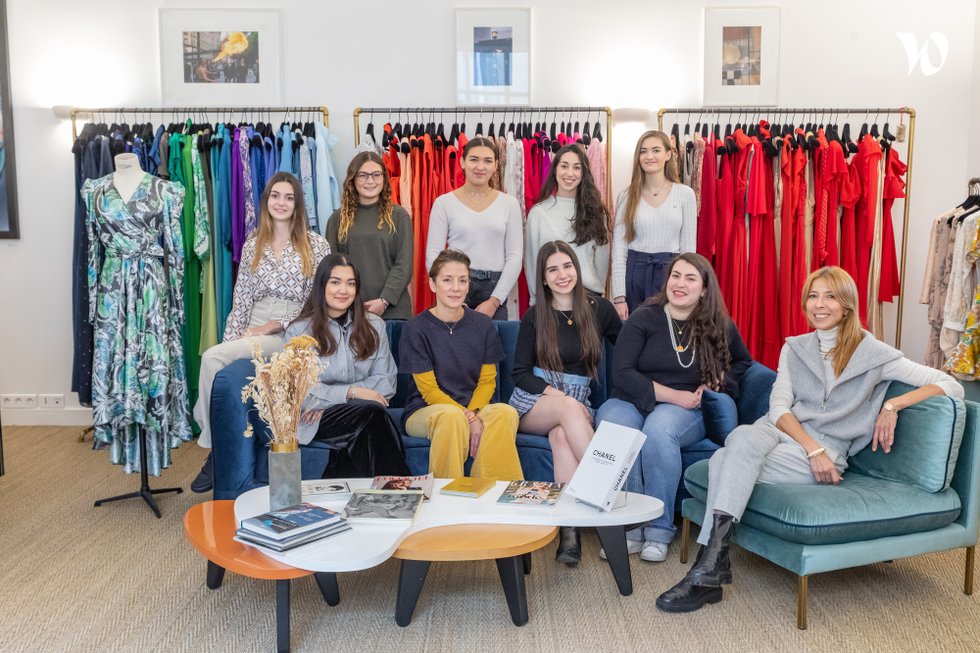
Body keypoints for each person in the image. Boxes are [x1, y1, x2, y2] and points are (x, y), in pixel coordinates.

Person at [656, 266, 965, 613]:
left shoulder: (874, 354)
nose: (819, 304)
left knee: (721, 460)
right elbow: (778, 408)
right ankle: (709, 568)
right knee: (742, 436)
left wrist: (893, 404)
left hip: (826, 452)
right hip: (782, 433)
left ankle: (708, 568)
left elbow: (950, 384)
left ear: (846, 305)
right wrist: (812, 447)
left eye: (830, 296)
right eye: (813, 296)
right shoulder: (796, 348)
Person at [596, 253, 752, 562]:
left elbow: (743, 362)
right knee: (615, 426)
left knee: (658, 429)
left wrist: (716, 382)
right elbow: (622, 372)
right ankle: (630, 528)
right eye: (675, 276)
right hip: (634, 398)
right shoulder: (644, 317)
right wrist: (672, 395)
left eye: (690, 278)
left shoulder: (717, 323)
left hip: (686, 410)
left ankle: (658, 530)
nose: (680, 284)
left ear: (704, 289)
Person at [192, 172, 329, 492]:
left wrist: (277, 323)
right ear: (266, 201)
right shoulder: (255, 244)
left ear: (298, 204)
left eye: (289, 197)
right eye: (275, 196)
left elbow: (318, 302)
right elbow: (241, 301)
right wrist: (231, 343)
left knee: (212, 358)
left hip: (292, 330)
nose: (281, 203)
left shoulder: (316, 245)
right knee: (216, 360)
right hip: (255, 326)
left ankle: (214, 449)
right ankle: (216, 446)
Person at [509, 241, 621, 565]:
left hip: (576, 401)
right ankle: (608, 492)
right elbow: (519, 373)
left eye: (567, 266)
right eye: (553, 269)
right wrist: (561, 398)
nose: (562, 275)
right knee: (569, 410)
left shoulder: (599, 309)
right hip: (535, 401)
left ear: (576, 268)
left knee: (561, 437)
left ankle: (569, 531)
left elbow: (628, 346)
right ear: (543, 278)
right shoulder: (535, 315)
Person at [400, 249, 523, 480]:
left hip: (474, 406)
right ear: (433, 284)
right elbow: (428, 391)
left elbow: (488, 382)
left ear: (468, 286)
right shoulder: (415, 328)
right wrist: (470, 418)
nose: (456, 288)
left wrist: (473, 413)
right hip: (425, 410)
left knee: (505, 412)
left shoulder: (483, 325)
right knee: (451, 417)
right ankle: (446, 495)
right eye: (447, 280)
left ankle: (492, 492)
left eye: (462, 280)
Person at [285, 253, 409, 477]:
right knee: (373, 413)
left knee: (370, 417)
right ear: (322, 285)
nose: (344, 290)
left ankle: (340, 479)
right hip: (317, 420)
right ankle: (401, 484)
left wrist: (330, 398)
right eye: (335, 282)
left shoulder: (374, 326)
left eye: (351, 284)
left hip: (352, 413)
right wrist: (353, 392)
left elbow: (386, 382)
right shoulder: (299, 331)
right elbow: (299, 393)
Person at [426, 137, 523, 320]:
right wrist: (449, 293)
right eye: (474, 159)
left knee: (493, 339)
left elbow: (515, 257)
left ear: (496, 165)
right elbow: (433, 253)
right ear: (462, 162)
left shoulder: (509, 204)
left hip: (494, 289)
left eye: (487, 161)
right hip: (454, 286)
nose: (480, 167)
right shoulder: (443, 203)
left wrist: (494, 301)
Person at [611, 130, 697, 320]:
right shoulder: (626, 196)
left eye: (656, 150)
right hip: (635, 276)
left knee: (669, 332)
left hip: (671, 276)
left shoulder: (685, 194)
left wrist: (688, 290)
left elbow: (689, 251)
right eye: (643, 151)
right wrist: (619, 297)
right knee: (635, 333)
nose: (649, 156)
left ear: (668, 154)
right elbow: (619, 250)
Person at [326, 152, 413, 319]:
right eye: (363, 175)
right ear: (353, 179)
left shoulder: (398, 216)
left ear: (384, 178)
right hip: (351, 312)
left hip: (393, 313)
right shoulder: (337, 220)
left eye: (376, 175)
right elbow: (333, 269)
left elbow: (404, 264)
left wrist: (384, 300)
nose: (370, 181)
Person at [525, 144, 610, 303]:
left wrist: (599, 295)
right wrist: (535, 302)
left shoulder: (596, 212)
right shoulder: (538, 213)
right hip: (551, 300)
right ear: (555, 170)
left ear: (583, 173)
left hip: (588, 298)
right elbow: (532, 263)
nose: (570, 173)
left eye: (577, 168)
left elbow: (601, 265)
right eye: (564, 166)